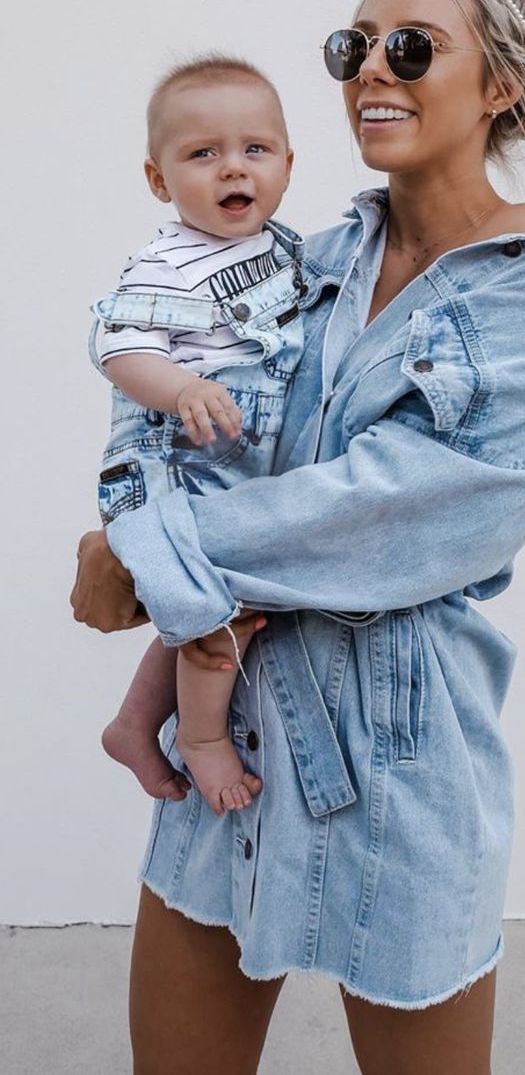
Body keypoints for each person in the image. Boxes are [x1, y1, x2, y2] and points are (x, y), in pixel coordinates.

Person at [71, 0, 525, 1073]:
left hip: (402, 759)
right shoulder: (295, 267)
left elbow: (397, 515)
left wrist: (142, 550)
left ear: (499, 84)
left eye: (410, 46)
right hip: (233, 734)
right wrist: (127, 517)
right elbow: (173, 401)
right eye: (351, 45)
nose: (372, 67)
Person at [89, 55, 304, 816]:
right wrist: (183, 387)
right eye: (202, 154)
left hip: (241, 458)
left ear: (286, 163)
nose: (231, 169)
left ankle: (136, 721)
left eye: (254, 149)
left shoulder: (286, 250)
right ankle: (205, 740)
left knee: (217, 599)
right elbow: (119, 350)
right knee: (211, 611)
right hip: (171, 461)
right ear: (159, 180)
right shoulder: (167, 262)